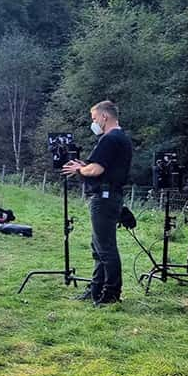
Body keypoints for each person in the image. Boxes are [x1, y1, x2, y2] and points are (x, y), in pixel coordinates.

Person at [61, 100, 133, 305]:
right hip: (111, 196)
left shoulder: (110, 139)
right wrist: (86, 166)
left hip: (104, 198)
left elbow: (97, 169)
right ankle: (96, 288)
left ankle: (110, 294)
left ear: (104, 116)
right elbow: (103, 166)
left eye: (94, 119)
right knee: (98, 245)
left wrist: (79, 170)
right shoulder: (122, 138)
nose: (93, 123)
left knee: (106, 248)